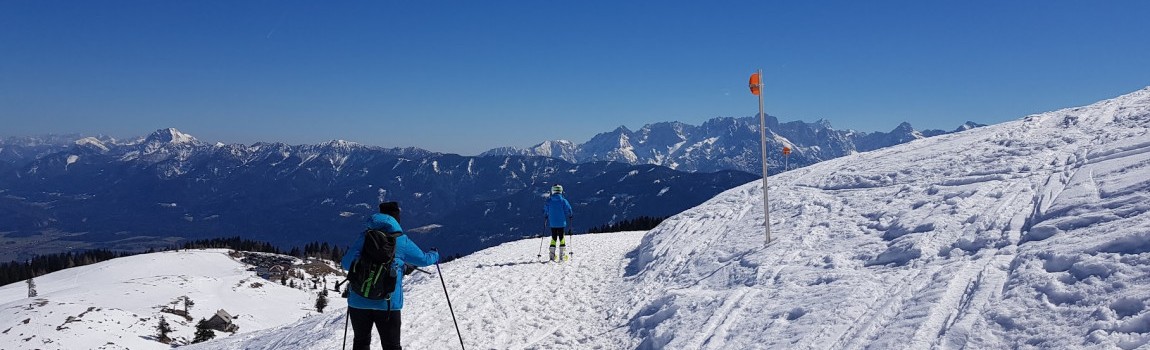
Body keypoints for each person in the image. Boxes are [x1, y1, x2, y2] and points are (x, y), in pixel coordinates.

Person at [341, 201, 439, 350]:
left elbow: (346, 264)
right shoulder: (401, 241)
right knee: (391, 346)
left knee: (361, 343)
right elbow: (423, 260)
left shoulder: (365, 237)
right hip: (387, 303)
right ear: (396, 219)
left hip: (358, 300)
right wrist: (434, 254)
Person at [543, 184, 574, 261]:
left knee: (553, 238)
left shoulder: (549, 201)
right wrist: (570, 215)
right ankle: (562, 256)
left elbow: (545, 210)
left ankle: (552, 256)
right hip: (561, 223)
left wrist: (546, 215)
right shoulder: (563, 201)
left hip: (552, 223)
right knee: (561, 238)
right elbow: (569, 210)